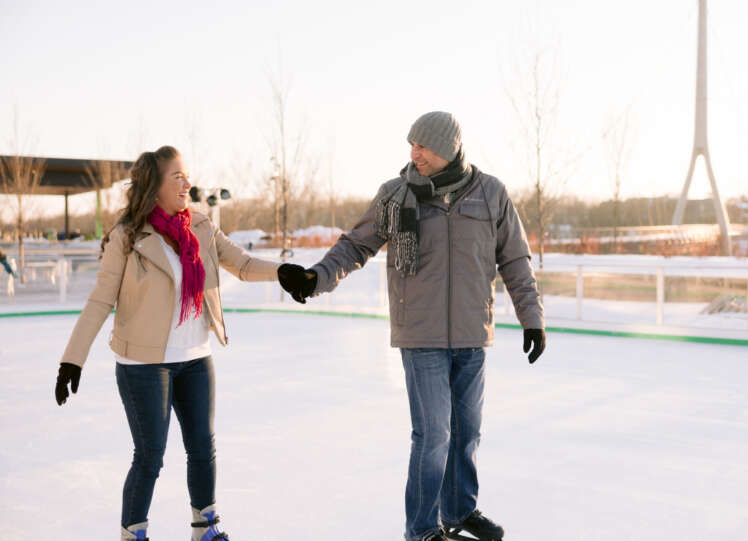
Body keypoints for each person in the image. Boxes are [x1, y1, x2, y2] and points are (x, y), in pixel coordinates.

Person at [278, 112, 546, 541]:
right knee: (434, 434)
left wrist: (532, 319)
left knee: (467, 432)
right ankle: (422, 529)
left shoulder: (490, 193)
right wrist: (316, 278)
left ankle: (459, 510)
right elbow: (356, 245)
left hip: (472, 333)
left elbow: (514, 259)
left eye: (422, 145)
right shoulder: (395, 195)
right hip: (420, 335)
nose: (413, 153)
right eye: (411, 145)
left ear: (448, 148)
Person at [55, 145, 284, 541]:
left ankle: (205, 530)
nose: (187, 183)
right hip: (144, 365)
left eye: (187, 175)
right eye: (176, 176)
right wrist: (72, 360)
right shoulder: (126, 236)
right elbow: (99, 301)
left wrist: (287, 273)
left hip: (196, 357)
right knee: (149, 457)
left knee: (202, 449)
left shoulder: (201, 226)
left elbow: (242, 265)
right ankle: (134, 534)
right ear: (154, 184)